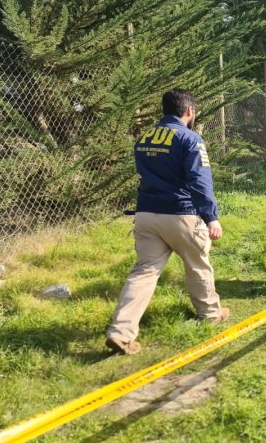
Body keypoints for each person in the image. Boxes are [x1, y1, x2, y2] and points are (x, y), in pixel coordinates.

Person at [105, 89, 230, 355]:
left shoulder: (144, 139)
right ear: (189, 112)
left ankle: (121, 331)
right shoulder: (191, 139)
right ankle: (209, 315)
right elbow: (200, 181)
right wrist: (211, 217)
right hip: (182, 214)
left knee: (144, 273)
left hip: (147, 215)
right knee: (198, 265)